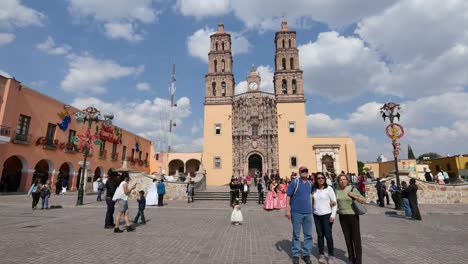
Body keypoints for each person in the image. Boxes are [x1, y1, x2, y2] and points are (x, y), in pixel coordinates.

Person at [285, 166, 313, 264]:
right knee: (296, 235)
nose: (304, 172)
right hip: (296, 212)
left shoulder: (310, 183)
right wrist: (287, 210)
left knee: (308, 235)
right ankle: (296, 255)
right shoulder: (295, 182)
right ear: (299, 172)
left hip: (308, 212)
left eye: (306, 171)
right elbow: (288, 197)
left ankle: (306, 254)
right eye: (302, 171)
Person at [336, 174, 365, 264]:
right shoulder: (336, 190)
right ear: (338, 181)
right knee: (347, 239)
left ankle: (359, 260)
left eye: (344, 179)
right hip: (342, 216)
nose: (343, 181)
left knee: (356, 239)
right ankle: (351, 258)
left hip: (352, 216)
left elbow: (363, 200)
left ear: (347, 180)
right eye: (341, 180)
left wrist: (354, 196)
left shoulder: (352, 189)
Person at [312, 172, 337, 264]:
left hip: (327, 215)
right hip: (316, 215)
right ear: (316, 179)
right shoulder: (314, 189)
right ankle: (321, 254)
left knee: (328, 235)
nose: (320, 179)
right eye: (318, 178)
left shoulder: (329, 189)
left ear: (325, 179)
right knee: (320, 235)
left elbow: (334, 202)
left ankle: (330, 255)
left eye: (322, 178)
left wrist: (333, 215)